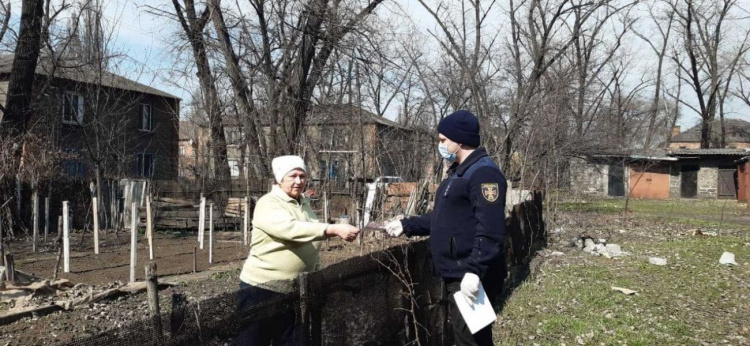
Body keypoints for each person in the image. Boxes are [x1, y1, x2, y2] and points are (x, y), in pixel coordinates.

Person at [385, 110, 507, 346]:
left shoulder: (483, 173)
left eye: (443, 140)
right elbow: (443, 219)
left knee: (469, 340)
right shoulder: (457, 173)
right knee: (473, 339)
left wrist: (475, 270)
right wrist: (406, 224)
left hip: (471, 275)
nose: (440, 145)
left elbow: (490, 229)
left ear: (459, 140)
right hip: (459, 272)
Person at [233, 155, 360, 346]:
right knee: (251, 342)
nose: (299, 181)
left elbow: (311, 243)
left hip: (294, 291)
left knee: (292, 341)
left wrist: (315, 274)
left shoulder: (304, 203)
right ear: (280, 178)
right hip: (261, 289)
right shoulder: (268, 203)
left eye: (302, 176)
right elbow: (290, 229)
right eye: (293, 176)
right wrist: (331, 229)